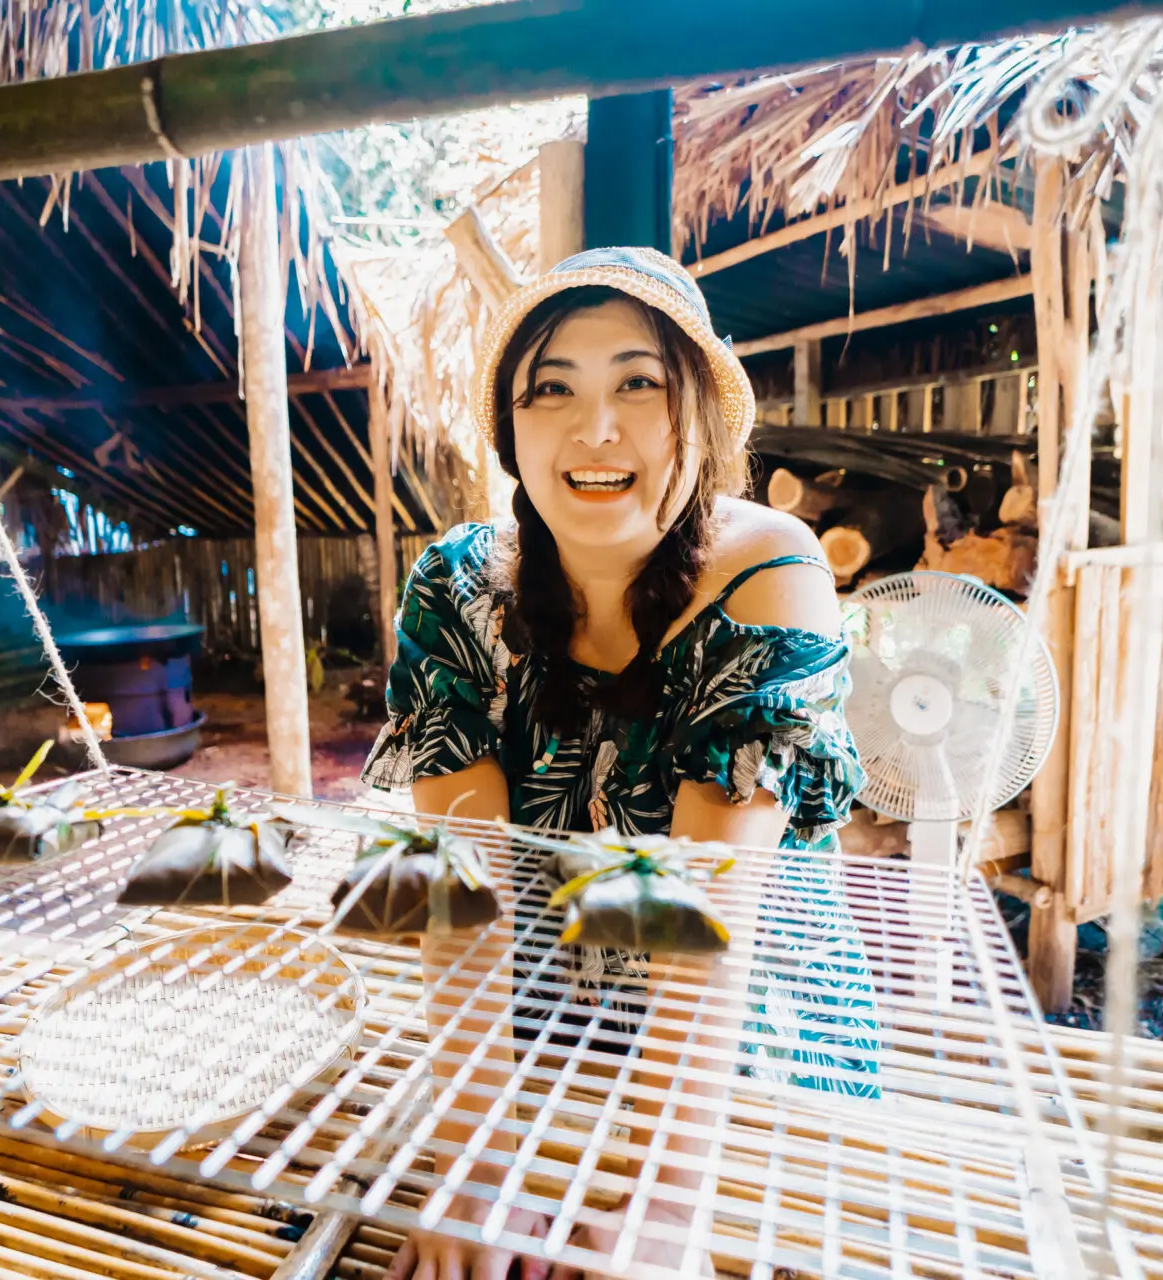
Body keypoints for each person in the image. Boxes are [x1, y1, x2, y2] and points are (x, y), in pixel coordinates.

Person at [361, 246, 875, 1280]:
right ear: (512, 432)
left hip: (743, 1030)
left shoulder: (774, 572)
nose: (596, 428)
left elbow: (705, 912)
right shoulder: (454, 588)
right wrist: (477, 1161)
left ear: (700, 416)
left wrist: (666, 1195)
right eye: (552, 390)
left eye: (639, 383)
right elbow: (466, 887)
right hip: (540, 1017)